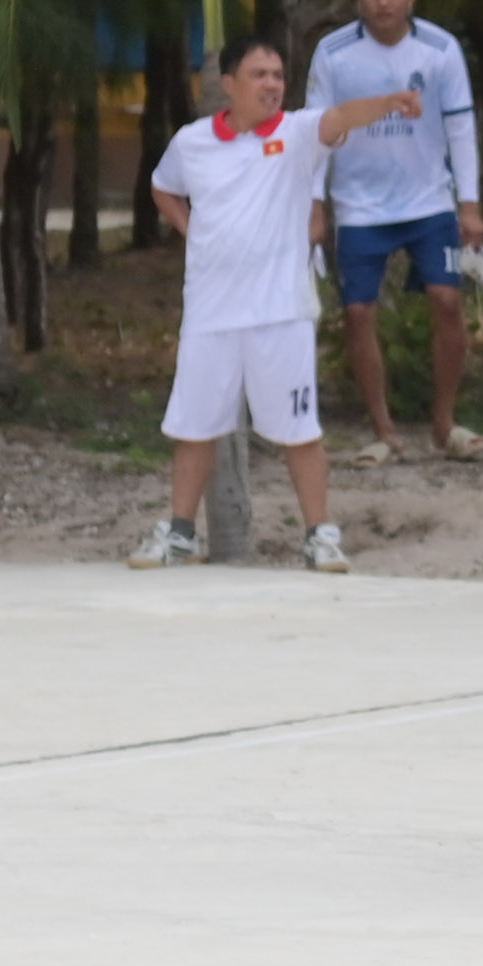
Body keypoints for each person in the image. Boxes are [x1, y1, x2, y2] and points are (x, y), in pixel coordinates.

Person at [131, 37, 413, 575]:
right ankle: (180, 534)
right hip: (211, 314)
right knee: (195, 425)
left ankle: (319, 536)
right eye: (259, 74)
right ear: (229, 83)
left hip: (280, 313)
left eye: (278, 75)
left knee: (298, 429)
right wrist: (190, 230)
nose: (271, 85)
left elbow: (339, 118)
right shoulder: (192, 142)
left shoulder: (297, 132)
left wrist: (387, 102)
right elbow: (163, 188)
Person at [303, 0, 483, 463]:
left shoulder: (440, 49)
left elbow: (460, 128)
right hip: (360, 205)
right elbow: (317, 132)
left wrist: (468, 204)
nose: (382, 2)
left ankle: (444, 423)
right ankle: (384, 431)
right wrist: (315, 206)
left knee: (447, 301)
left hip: (430, 202)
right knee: (358, 312)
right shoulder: (333, 52)